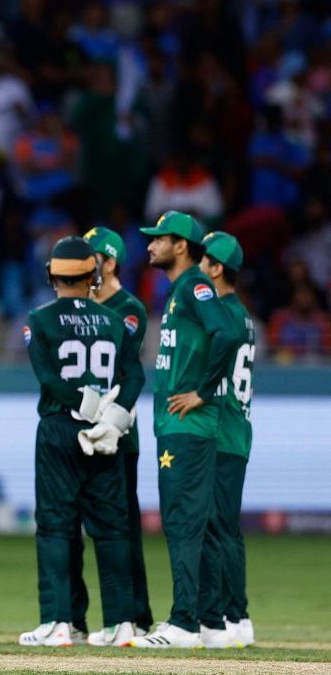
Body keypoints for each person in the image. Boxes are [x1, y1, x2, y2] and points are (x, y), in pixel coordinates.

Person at [19, 236, 141, 648]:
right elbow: (135, 377)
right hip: (107, 435)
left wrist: (84, 410)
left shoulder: (38, 319)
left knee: (55, 526)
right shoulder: (114, 321)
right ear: (94, 274)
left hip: (59, 428)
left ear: (51, 274)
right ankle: (122, 624)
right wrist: (111, 416)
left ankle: (59, 623)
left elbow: (48, 378)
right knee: (112, 529)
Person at [130, 211, 237, 649]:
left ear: (181, 245)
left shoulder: (194, 285)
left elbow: (226, 333)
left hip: (187, 423)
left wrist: (203, 392)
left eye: (160, 238)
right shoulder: (178, 291)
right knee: (198, 521)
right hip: (180, 423)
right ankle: (210, 622)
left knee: (182, 522)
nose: (150, 245)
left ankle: (183, 623)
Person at [70, 226, 153, 643]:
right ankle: (74, 619)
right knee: (72, 528)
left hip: (118, 435)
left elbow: (123, 371)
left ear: (110, 262)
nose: (86, 265)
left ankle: (134, 616)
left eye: (92, 258)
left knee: (120, 528)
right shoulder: (77, 306)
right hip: (76, 432)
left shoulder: (128, 308)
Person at [197, 232, 257, 648]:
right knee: (225, 526)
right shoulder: (243, 314)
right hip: (235, 429)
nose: (198, 267)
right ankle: (235, 614)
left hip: (223, 428)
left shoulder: (224, 316)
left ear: (217, 268)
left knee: (219, 526)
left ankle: (231, 615)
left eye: (203, 260)